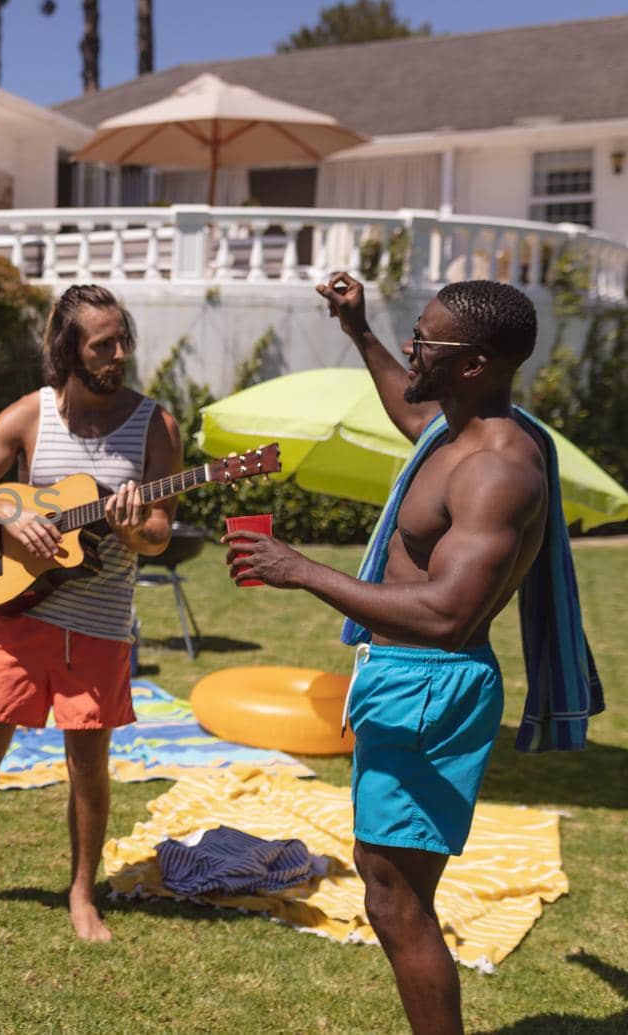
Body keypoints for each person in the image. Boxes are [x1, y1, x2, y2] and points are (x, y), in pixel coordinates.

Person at [224, 274, 602, 1035]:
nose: (411, 345)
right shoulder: (453, 425)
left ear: (474, 364)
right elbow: (408, 405)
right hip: (399, 680)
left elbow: (448, 613)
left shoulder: (498, 468)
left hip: (430, 687)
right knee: (385, 882)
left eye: (425, 338)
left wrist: (300, 569)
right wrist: (359, 329)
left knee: (396, 896)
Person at [0, 284, 182, 942]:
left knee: (88, 762)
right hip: (19, 615)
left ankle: (82, 890)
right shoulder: (30, 417)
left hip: (98, 621)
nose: (119, 353)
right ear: (67, 349)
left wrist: (131, 530)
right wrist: (14, 510)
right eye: (102, 343)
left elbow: (160, 532)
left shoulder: (155, 424)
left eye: (123, 339)